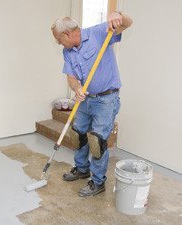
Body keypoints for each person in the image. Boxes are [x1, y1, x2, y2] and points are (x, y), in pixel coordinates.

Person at [51, 12, 133, 197]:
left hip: (106, 99)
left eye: (58, 39)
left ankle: (97, 182)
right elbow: (71, 77)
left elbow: (128, 23)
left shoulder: (98, 33)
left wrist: (119, 15)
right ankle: (82, 169)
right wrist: (77, 88)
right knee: (78, 134)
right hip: (85, 99)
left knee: (97, 141)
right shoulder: (68, 51)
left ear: (67, 34)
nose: (58, 43)